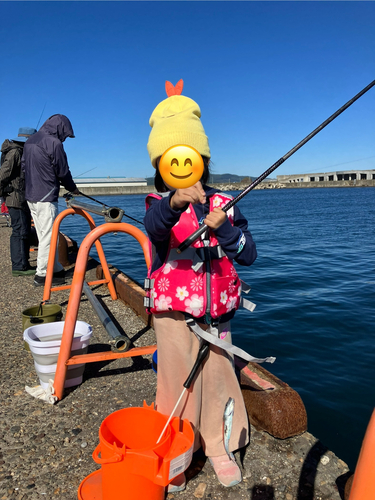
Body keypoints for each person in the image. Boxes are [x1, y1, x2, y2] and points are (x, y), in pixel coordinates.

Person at [144, 81, 262, 492]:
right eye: (170, 159)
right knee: (175, 381)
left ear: (203, 160)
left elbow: (248, 255)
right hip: (173, 316)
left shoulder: (225, 202)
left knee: (216, 380)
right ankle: (178, 449)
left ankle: (217, 445)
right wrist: (173, 203)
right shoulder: (156, 206)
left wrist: (226, 228)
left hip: (218, 316)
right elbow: (155, 231)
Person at [22, 114, 80, 287]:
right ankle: (41, 275)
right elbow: (63, 171)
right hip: (46, 197)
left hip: (31, 196)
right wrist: (72, 188)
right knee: (48, 236)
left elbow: (24, 169)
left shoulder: (29, 141)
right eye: (66, 134)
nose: (65, 138)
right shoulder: (54, 143)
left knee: (44, 235)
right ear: (61, 128)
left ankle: (54, 269)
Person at [0, 127, 37, 276]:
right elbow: (3, 173)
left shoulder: (17, 151)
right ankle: (19, 266)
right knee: (19, 231)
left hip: (20, 197)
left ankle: (23, 263)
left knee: (24, 230)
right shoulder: (15, 152)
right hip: (16, 198)